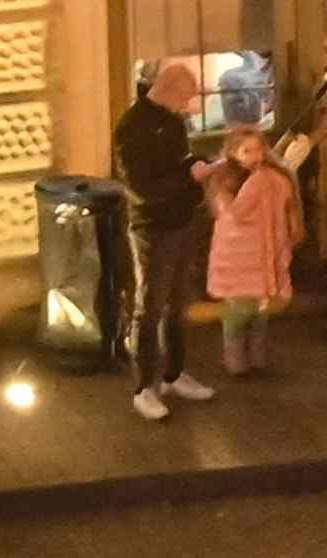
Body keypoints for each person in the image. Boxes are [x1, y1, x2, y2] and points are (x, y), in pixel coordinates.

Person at [114, 55, 216, 419]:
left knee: (178, 302)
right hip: (152, 228)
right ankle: (144, 386)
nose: (189, 106)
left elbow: (179, 160)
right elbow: (140, 187)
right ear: (169, 90)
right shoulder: (133, 128)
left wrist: (197, 164)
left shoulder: (171, 122)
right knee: (151, 306)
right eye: (186, 97)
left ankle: (174, 373)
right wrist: (189, 179)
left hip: (182, 220)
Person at [204, 122, 304, 380]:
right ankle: (235, 359)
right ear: (233, 153)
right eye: (246, 151)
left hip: (264, 251)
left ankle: (257, 357)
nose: (255, 156)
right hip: (240, 255)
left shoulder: (270, 177)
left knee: (261, 310)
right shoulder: (229, 181)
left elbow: (285, 201)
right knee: (240, 310)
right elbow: (234, 214)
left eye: (258, 150)